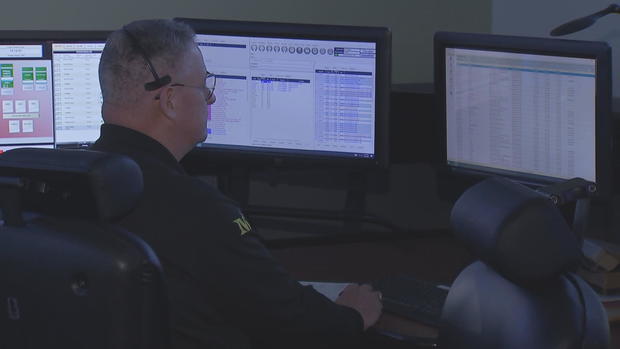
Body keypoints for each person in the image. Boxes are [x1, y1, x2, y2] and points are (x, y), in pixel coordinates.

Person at [91, 19, 382, 349]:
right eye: (203, 87)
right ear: (170, 100)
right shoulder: (197, 210)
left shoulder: (64, 182)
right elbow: (291, 321)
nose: (211, 100)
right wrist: (352, 315)